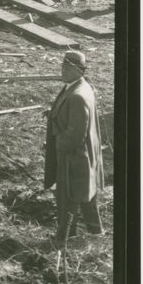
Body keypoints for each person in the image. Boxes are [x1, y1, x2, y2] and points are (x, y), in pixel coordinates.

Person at [44, 51, 105, 249]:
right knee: (86, 195)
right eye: (62, 66)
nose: (63, 70)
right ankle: (96, 234)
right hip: (84, 156)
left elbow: (76, 132)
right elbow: (71, 115)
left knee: (67, 196)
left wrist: (57, 144)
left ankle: (63, 239)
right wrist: (54, 114)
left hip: (74, 156)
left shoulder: (78, 95)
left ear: (78, 70)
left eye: (67, 68)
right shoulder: (80, 86)